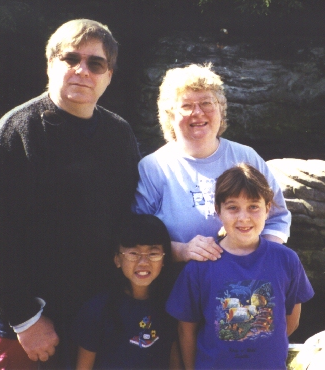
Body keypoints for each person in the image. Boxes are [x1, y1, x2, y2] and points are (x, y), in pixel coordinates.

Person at [0, 19, 140, 369]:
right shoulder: (15, 133)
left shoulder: (118, 135)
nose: (82, 70)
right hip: (17, 328)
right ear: (50, 65)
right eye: (70, 58)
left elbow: (127, 220)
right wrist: (26, 319)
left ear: (108, 75)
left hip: (88, 318)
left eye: (96, 63)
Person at [132, 63, 291, 263]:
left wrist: (263, 259)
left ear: (220, 109)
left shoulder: (246, 157)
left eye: (206, 103)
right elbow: (137, 233)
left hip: (243, 280)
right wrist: (182, 251)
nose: (198, 112)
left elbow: (278, 217)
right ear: (170, 116)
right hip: (179, 281)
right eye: (187, 106)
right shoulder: (153, 167)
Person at [166, 163, 314, 370]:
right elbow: (186, 330)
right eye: (233, 207)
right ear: (218, 210)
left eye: (253, 206)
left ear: (267, 209)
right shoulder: (200, 266)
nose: (243, 217)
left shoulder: (287, 260)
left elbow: (291, 321)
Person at [74, 214, 181, 369]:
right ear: (117, 259)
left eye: (153, 253)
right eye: (133, 254)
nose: (143, 262)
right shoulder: (97, 310)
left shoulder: (170, 305)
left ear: (164, 259)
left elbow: (174, 363)